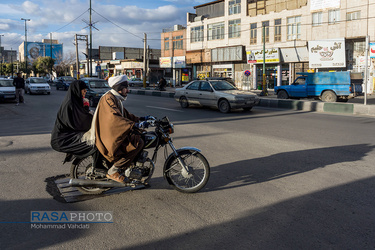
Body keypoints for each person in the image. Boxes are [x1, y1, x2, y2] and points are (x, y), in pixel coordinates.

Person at [82, 75, 149, 184]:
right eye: (125, 88)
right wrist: (134, 125)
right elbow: (115, 118)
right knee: (137, 143)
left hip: (110, 134)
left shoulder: (115, 98)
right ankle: (114, 170)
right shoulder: (109, 98)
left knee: (140, 137)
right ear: (119, 88)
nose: (128, 90)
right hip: (106, 137)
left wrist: (142, 119)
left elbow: (126, 115)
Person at [51, 80, 96, 158]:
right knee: (94, 143)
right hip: (64, 139)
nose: (85, 91)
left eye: (86, 89)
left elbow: (82, 116)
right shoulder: (69, 104)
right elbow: (78, 123)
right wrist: (89, 115)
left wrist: (86, 107)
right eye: (83, 89)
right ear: (77, 90)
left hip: (72, 135)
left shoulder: (77, 102)